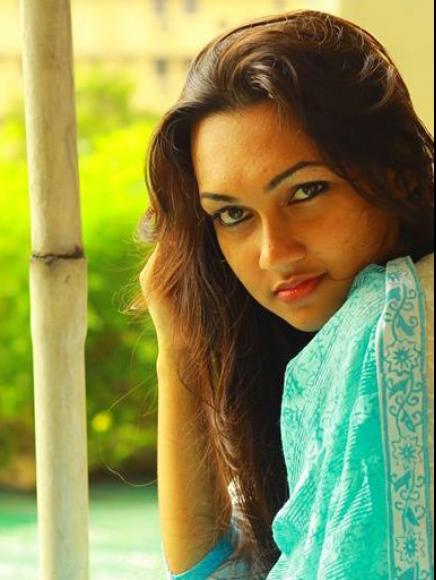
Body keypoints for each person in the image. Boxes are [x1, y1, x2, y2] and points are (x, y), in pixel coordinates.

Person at [137, 9, 434, 579]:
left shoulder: (393, 320)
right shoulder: (334, 346)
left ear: (396, 171)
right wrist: (177, 348)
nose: (273, 252)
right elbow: (223, 570)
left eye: (306, 191)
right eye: (233, 215)